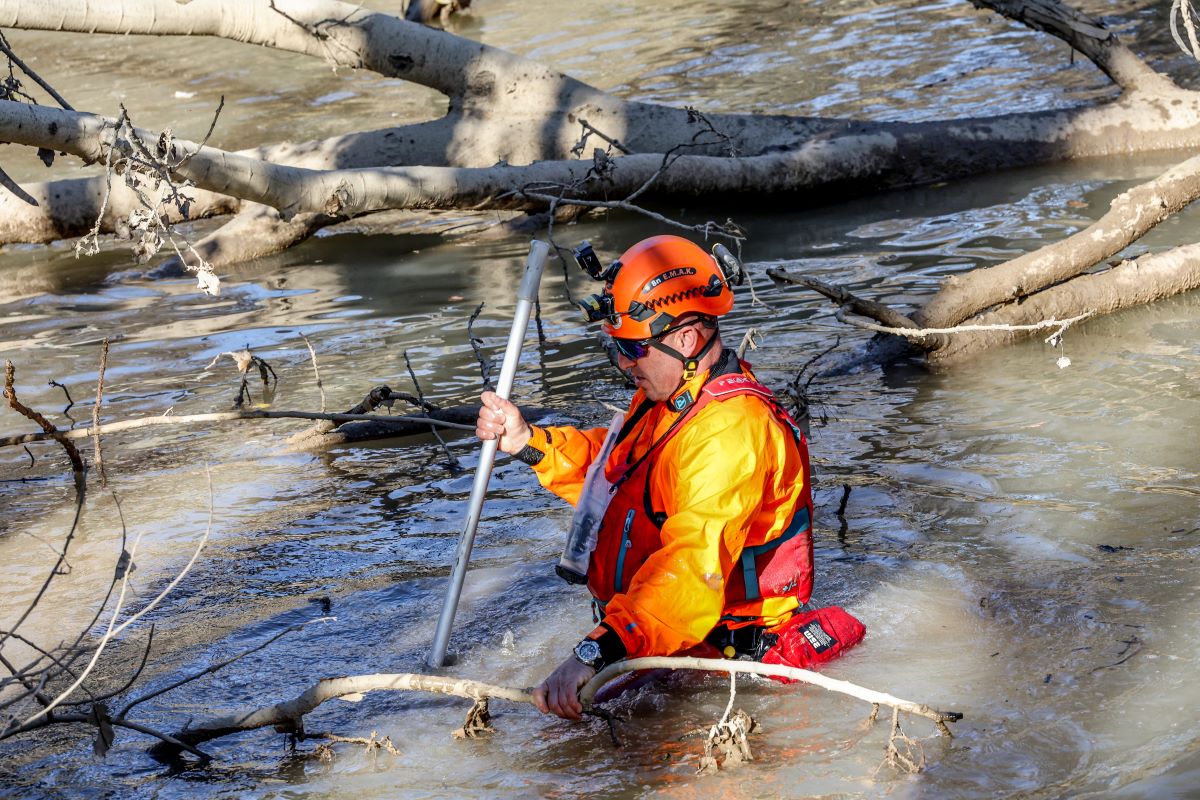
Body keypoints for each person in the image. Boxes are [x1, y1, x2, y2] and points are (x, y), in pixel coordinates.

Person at [475, 234, 815, 720]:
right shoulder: (672, 397)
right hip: (671, 645)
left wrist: (593, 653)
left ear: (685, 338)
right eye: (615, 348)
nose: (624, 364)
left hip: (728, 668)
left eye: (633, 349)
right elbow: (616, 478)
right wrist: (528, 440)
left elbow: (691, 568)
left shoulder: (730, 431)